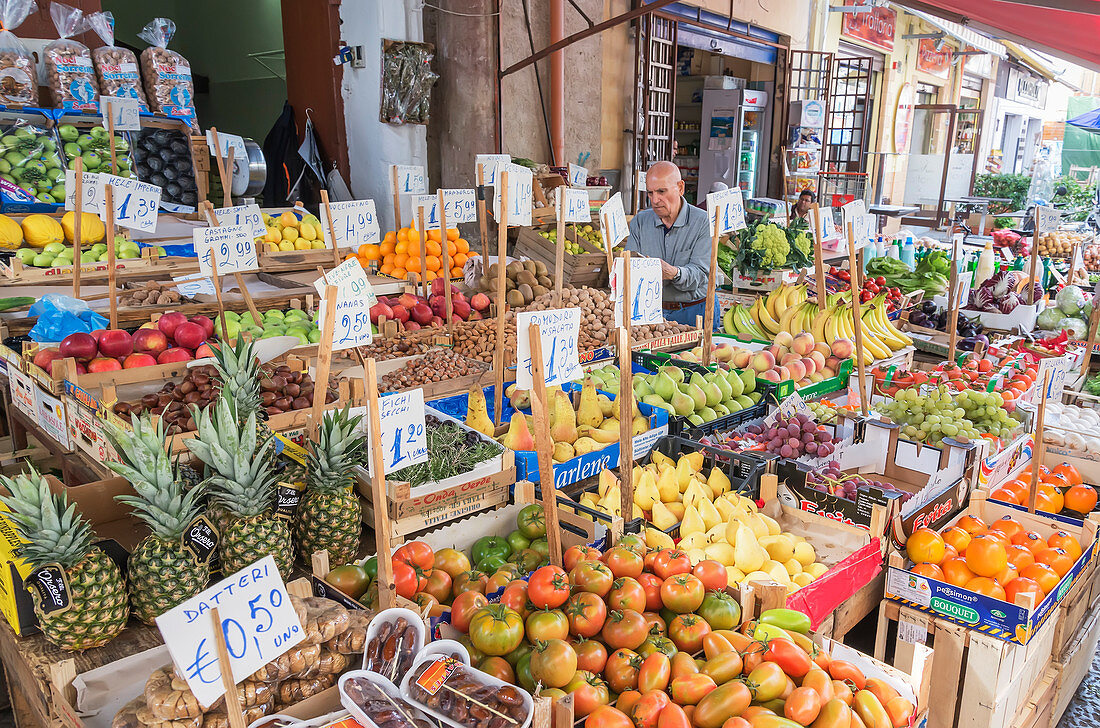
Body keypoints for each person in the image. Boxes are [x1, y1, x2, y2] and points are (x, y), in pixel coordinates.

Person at [625, 161, 720, 328]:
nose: (655, 200)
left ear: (680, 188)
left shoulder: (703, 222)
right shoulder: (640, 221)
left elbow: (702, 273)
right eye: (650, 193)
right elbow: (630, 263)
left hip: (695, 311)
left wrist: (674, 273)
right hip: (653, 314)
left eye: (661, 191)